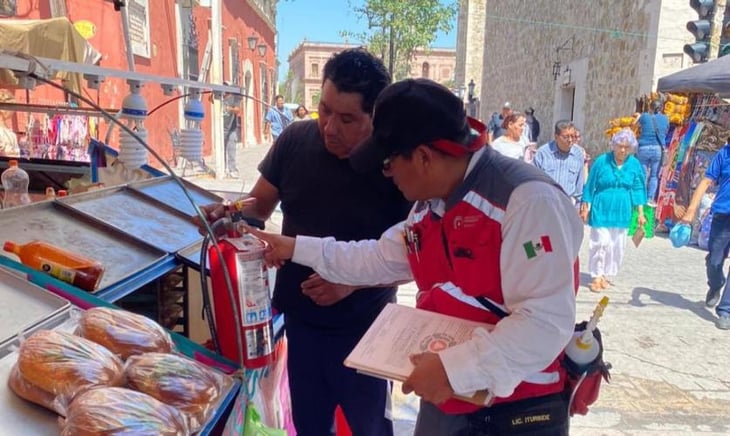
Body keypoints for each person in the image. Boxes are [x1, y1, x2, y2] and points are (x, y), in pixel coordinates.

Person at [247, 78, 583, 436]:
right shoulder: (429, 207)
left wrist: (454, 370)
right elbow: (377, 258)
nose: (386, 175)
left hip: (517, 410)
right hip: (449, 397)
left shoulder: (527, 201)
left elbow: (545, 323)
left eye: (389, 163)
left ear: (424, 157)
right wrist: (294, 247)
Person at [197, 48, 409, 436]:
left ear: (374, 119)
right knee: (309, 426)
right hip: (301, 324)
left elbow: (412, 257)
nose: (329, 128)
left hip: (366, 331)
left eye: (347, 119)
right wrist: (230, 211)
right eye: (324, 110)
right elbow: (259, 204)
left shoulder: (395, 168)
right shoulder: (296, 139)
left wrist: (351, 282)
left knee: (371, 428)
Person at [580, 128, 647, 293]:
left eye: (626, 147)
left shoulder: (634, 164)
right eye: (619, 146)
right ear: (613, 145)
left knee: (616, 245)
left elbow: (638, 188)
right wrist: (585, 205)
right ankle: (596, 275)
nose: (622, 150)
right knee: (600, 243)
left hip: (622, 210)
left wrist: (640, 212)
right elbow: (590, 185)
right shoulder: (602, 161)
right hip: (601, 208)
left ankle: (605, 275)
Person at [679, 136, 730, 329]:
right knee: (715, 260)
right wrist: (691, 210)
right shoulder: (724, 154)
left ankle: (726, 310)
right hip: (722, 215)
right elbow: (706, 181)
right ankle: (716, 283)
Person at [534, 120, 585, 206]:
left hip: (567, 205)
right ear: (556, 137)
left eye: (573, 136)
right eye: (566, 137)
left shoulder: (578, 154)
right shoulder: (543, 153)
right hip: (545, 204)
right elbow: (533, 180)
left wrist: (578, 206)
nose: (570, 140)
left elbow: (579, 186)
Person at [633, 100, 670, 205]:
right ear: (661, 108)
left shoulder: (644, 116)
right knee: (654, 175)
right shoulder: (666, 118)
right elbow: (665, 131)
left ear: (651, 108)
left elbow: (635, 124)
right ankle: (650, 199)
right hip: (657, 149)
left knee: (642, 174)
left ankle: (640, 197)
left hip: (643, 148)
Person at [222, 87, 241, 178]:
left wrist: (228, 108)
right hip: (221, 128)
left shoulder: (234, 98)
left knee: (231, 149)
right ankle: (223, 168)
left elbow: (237, 110)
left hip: (232, 129)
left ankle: (232, 169)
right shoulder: (219, 97)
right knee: (222, 150)